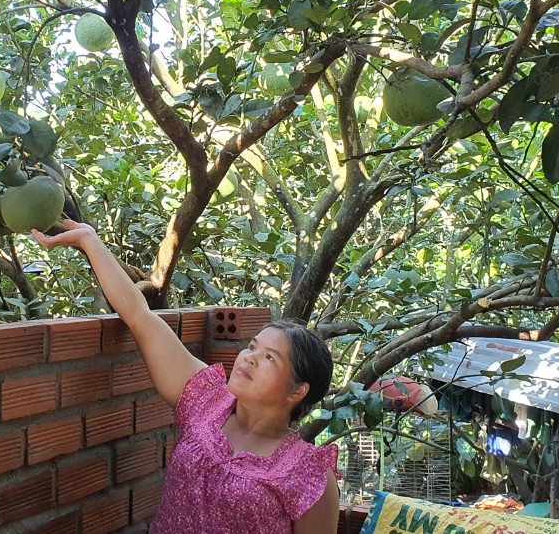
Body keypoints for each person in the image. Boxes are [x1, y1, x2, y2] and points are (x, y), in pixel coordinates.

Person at [32, 220, 341, 534]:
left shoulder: (308, 477)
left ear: (297, 392)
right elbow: (139, 316)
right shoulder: (205, 401)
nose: (248, 358)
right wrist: (89, 241)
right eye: (252, 347)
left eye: (269, 358)